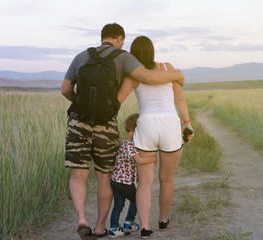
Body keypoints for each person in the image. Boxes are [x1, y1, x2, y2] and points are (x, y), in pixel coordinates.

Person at [61, 23, 185, 240]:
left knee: (78, 174)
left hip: (78, 122)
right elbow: (149, 77)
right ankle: (101, 227)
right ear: (119, 38)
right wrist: (177, 75)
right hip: (107, 124)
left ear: (102, 37)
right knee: (104, 176)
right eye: (122, 41)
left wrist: (81, 104)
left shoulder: (81, 56)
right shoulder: (123, 57)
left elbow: (65, 89)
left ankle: (82, 219)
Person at [117, 36, 194, 238]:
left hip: (147, 125)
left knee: (145, 182)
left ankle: (144, 227)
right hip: (170, 124)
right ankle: (163, 220)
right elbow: (180, 98)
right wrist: (187, 123)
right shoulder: (168, 68)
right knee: (167, 179)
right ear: (152, 51)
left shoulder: (132, 75)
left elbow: (117, 101)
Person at [109, 113, 156, 239]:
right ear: (138, 130)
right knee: (137, 199)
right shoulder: (129, 145)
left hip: (115, 180)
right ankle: (129, 222)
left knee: (118, 205)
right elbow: (139, 160)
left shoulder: (125, 143)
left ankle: (114, 228)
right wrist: (153, 158)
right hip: (123, 182)